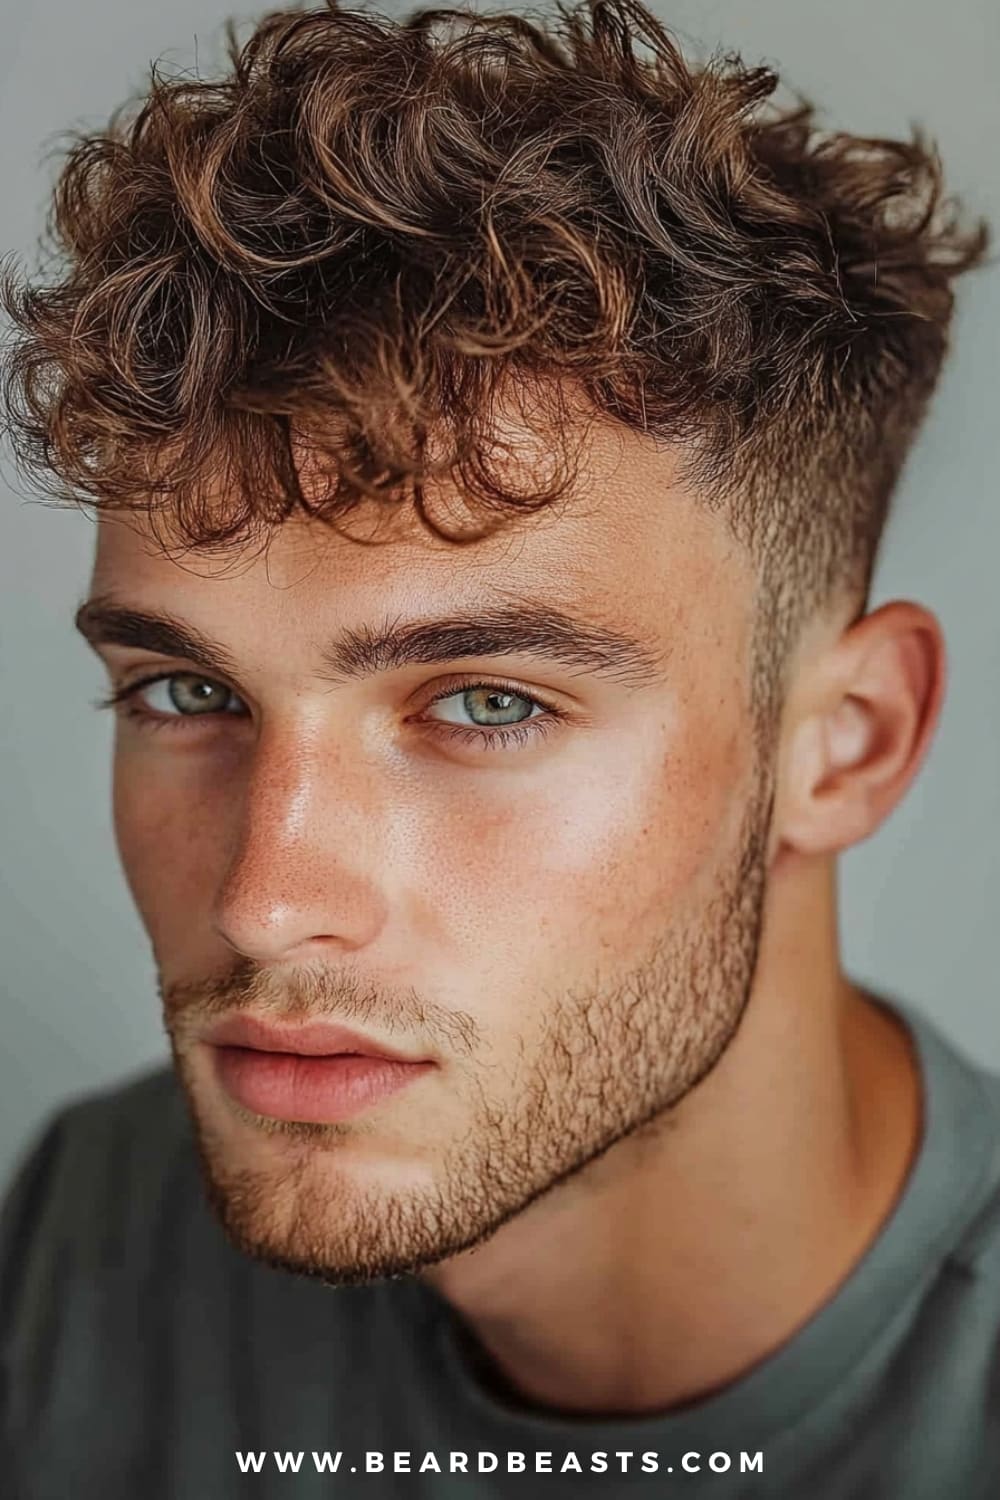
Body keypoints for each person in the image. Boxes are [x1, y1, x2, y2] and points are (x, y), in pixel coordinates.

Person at [1, 0, 997, 1494]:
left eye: (487, 704)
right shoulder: (98, 1219)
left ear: (845, 745)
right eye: (188, 696)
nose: (262, 904)